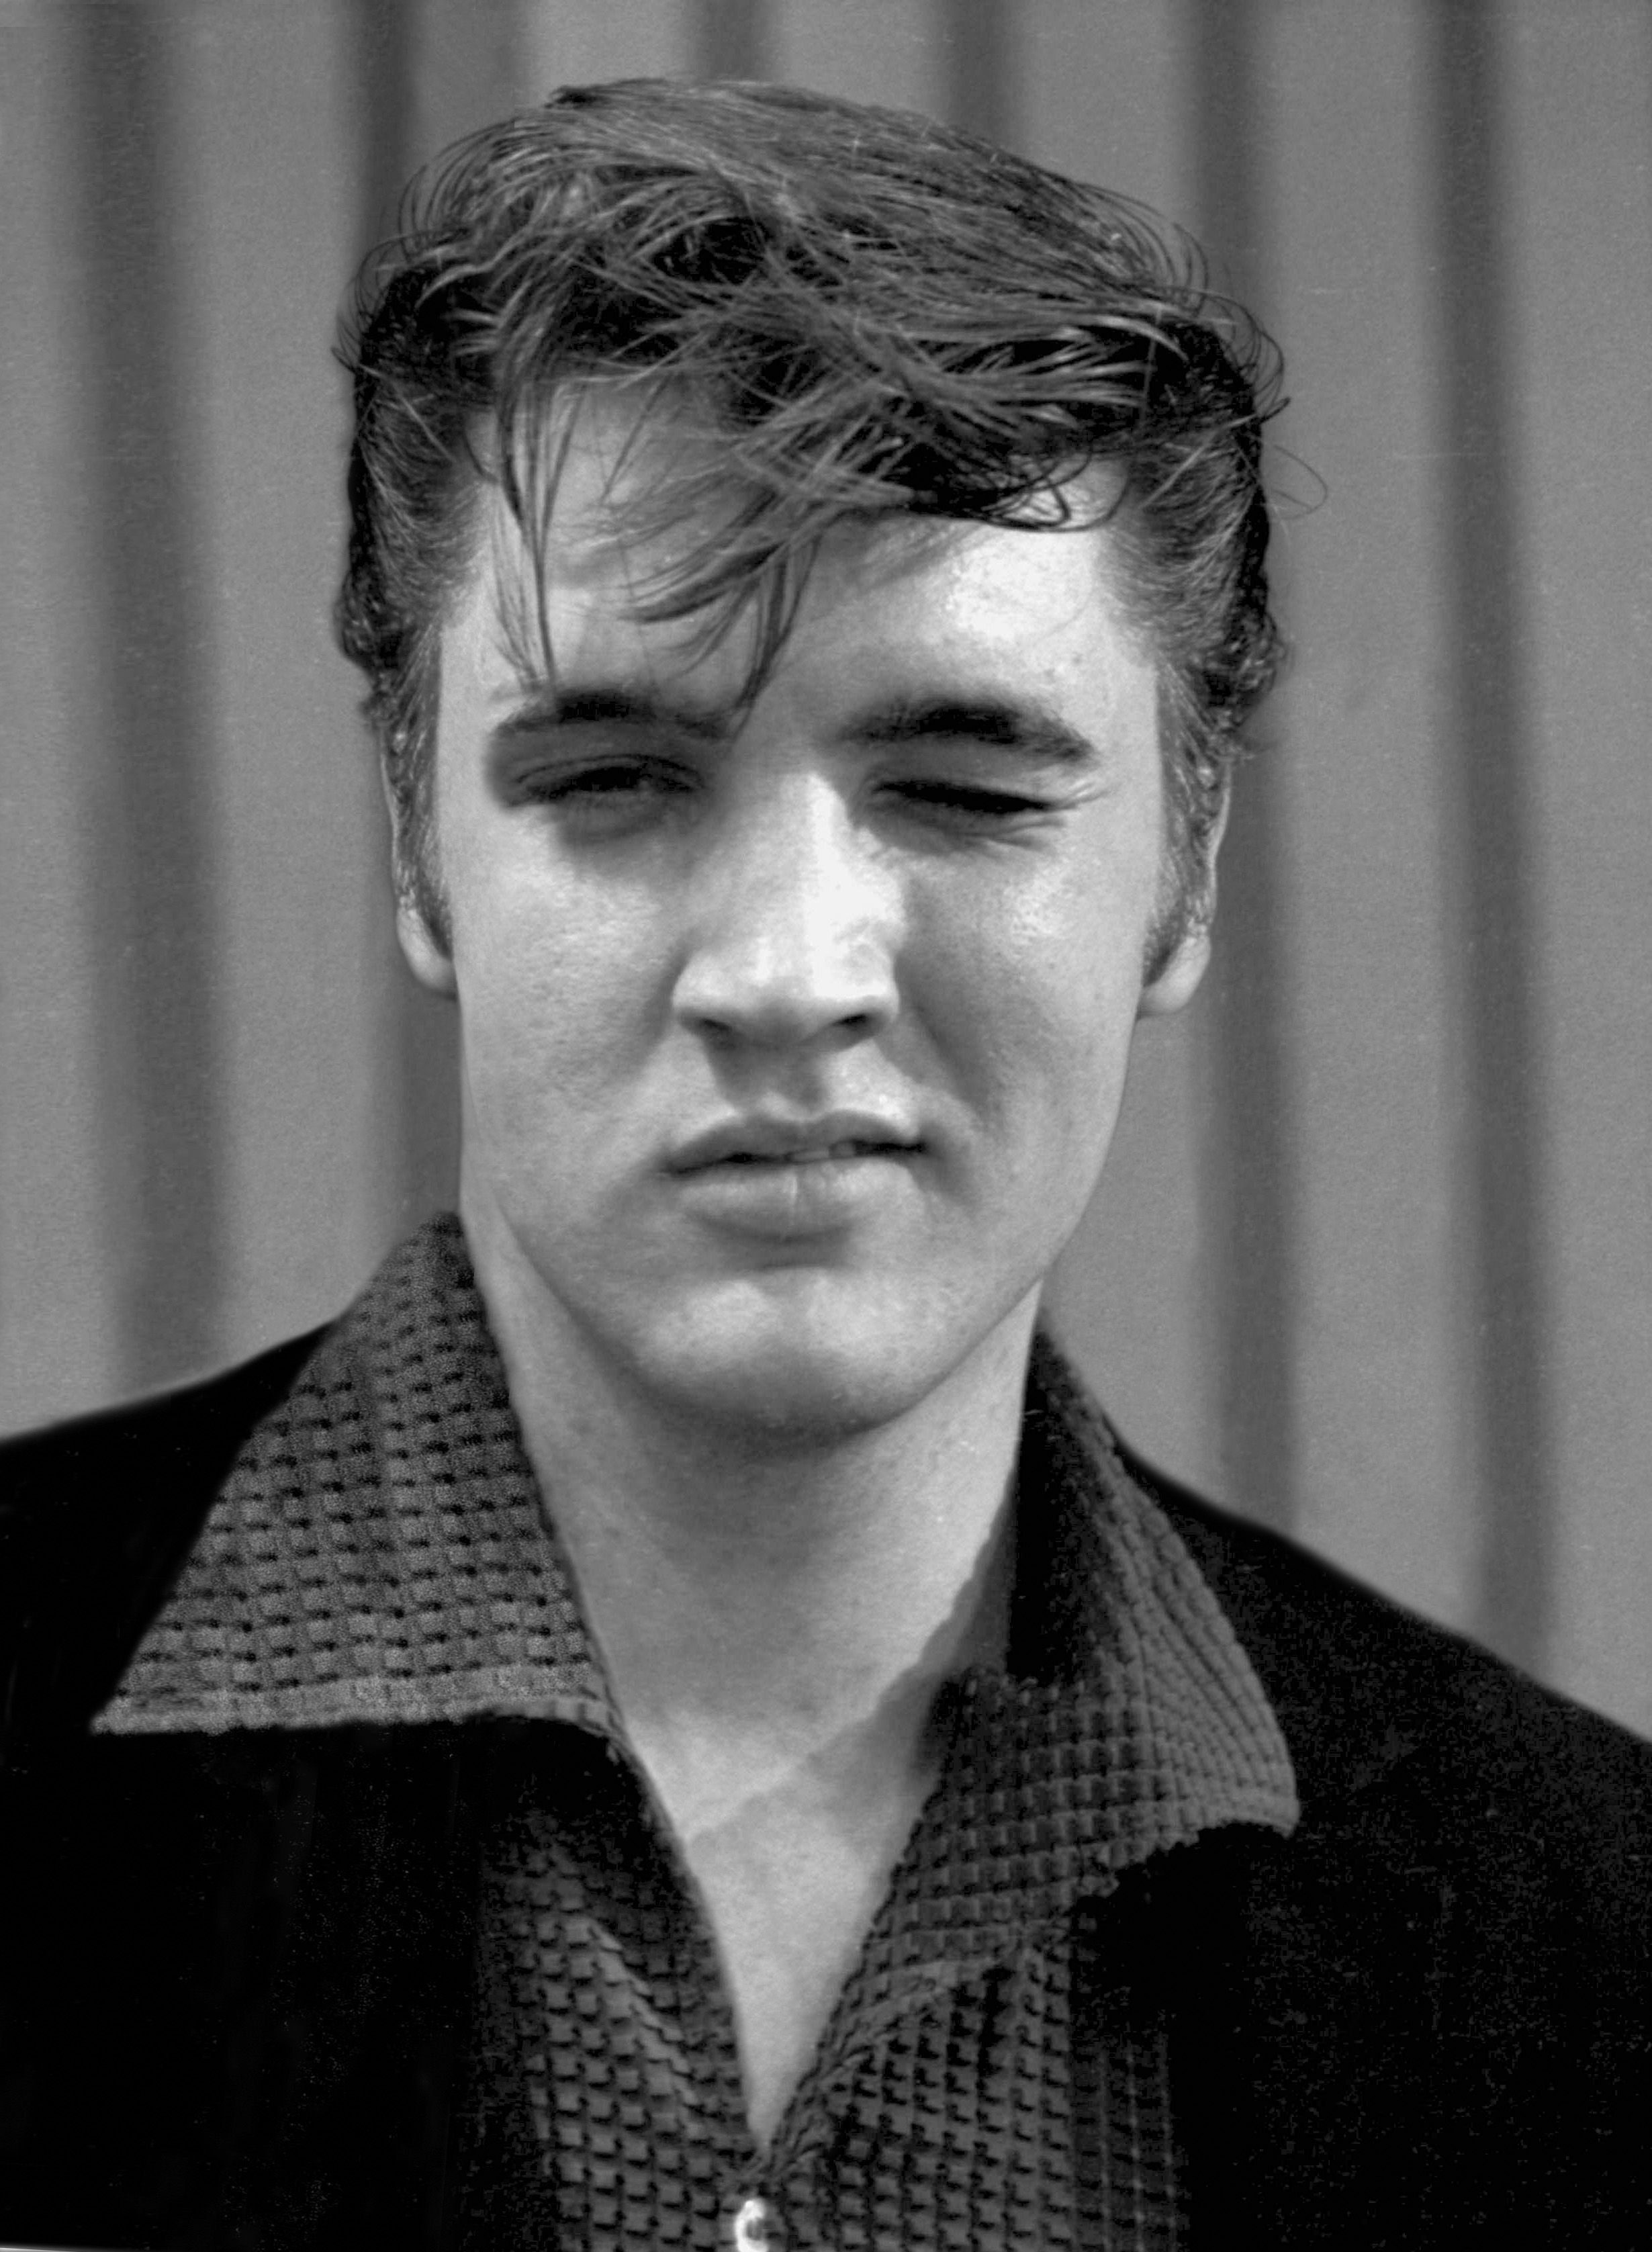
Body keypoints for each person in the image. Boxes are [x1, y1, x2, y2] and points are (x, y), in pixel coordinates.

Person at [1, 77, 1647, 2252]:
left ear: (1181, 879)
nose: (786, 971)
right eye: (613, 773)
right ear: (419, 851)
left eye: (960, 787)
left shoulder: (1595, 1947)